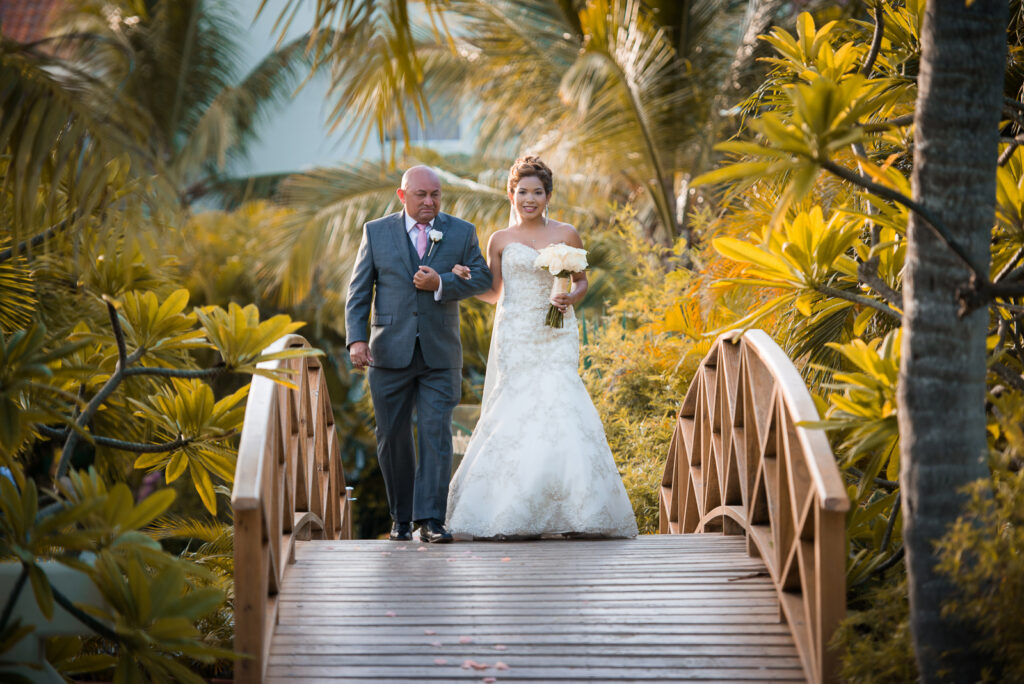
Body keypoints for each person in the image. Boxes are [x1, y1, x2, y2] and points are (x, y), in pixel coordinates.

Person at [445, 156, 638, 539]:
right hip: (515, 335)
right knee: (516, 409)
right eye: (522, 192)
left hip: (556, 332)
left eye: (537, 192)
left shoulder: (567, 234)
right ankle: (515, 512)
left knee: (560, 403)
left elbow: (581, 281)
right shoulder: (498, 239)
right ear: (511, 194)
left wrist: (572, 298)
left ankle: (579, 514)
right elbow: (496, 292)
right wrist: (464, 280)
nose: (529, 199)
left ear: (548, 196)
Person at [345, 166, 492, 543]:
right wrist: (356, 340)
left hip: (440, 353)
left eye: (436, 195)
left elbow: (482, 278)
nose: (429, 202)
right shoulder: (376, 232)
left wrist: (441, 282)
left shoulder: (461, 231)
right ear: (402, 195)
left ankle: (432, 520)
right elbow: (359, 291)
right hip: (388, 352)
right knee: (391, 436)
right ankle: (402, 518)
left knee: (435, 433)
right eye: (421, 195)